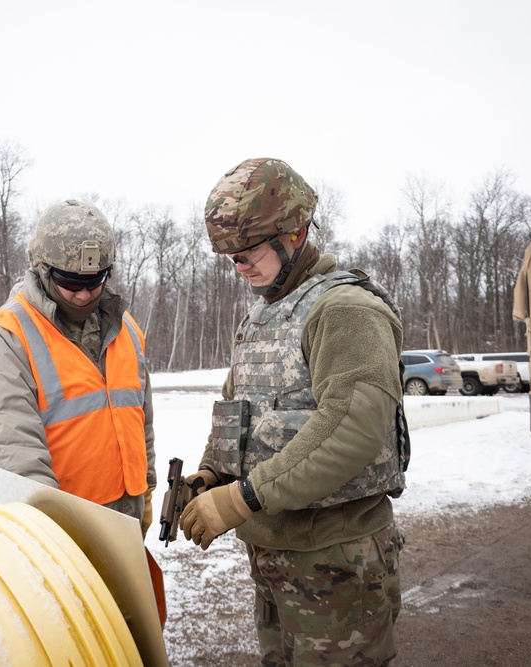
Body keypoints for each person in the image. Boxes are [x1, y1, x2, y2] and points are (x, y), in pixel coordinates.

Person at [179, 158, 409, 666]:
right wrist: (213, 473)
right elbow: (237, 410)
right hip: (274, 554)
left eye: (250, 253)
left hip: (335, 556)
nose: (242, 269)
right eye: (232, 259)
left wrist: (241, 498)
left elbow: (351, 427)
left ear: (296, 231)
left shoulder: (345, 309)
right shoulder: (264, 312)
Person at [0, 199, 156, 537]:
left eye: (95, 281)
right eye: (70, 282)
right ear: (41, 269)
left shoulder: (127, 329)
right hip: (54, 538)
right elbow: (13, 457)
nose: (83, 295)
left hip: (122, 528)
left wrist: (146, 488)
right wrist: (53, 542)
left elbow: (141, 422)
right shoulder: (6, 337)